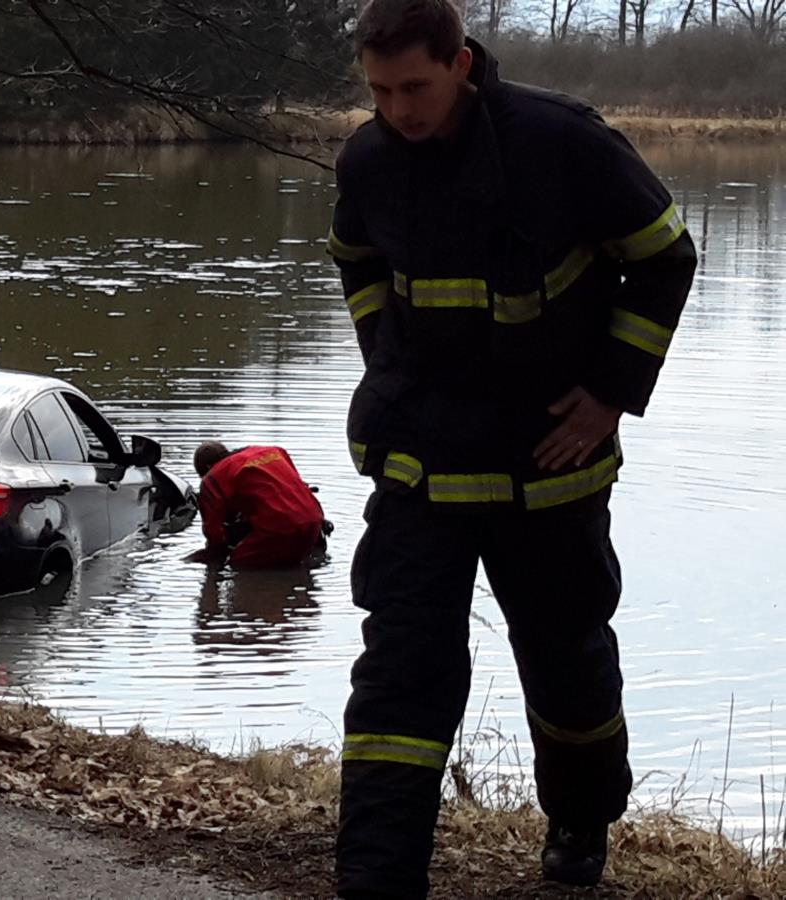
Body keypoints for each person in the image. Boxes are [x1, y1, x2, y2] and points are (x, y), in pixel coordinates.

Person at [326, 0, 697, 895]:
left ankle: (580, 816)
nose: (400, 110)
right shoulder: (369, 156)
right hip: (421, 463)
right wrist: (387, 362)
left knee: (567, 670)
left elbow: (665, 257)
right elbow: (357, 258)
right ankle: (377, 878)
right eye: (380, 92)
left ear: (461, 63)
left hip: (550, 468)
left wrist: (610, 393)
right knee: (399, 680)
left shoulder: (562, 142)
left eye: (415, 87)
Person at [187, 441, 328, 569]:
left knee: (237, 565)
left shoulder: (213, 477)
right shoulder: (275, 451)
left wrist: (211, 556)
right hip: (314, 520)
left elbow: (214, 533)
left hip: (279, 528)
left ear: (208, 467)